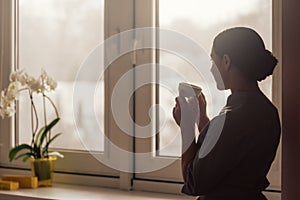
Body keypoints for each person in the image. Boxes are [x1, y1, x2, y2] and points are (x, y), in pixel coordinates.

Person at [172, 27, 281, 200]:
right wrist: (202, 121)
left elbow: (194, 182)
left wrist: (186, 127)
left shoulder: (231, 118)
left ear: (226, 61)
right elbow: (228, 153)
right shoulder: (266, 110)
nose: (211, 69)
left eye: (212, 60)